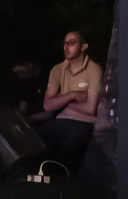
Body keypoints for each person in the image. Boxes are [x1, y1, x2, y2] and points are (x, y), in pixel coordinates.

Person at [35, 30, 102, 172]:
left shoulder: (94, 69)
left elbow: (90, 108)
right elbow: (48, 105)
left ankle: (65, 182)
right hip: (62, 119)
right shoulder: (58, 69)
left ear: (83, 47)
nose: (66, 47)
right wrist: (72, 95)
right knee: (35, 138)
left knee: (68, 149)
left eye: (71, 43)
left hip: (85, 122)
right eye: (64, 43)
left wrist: (61, 99)